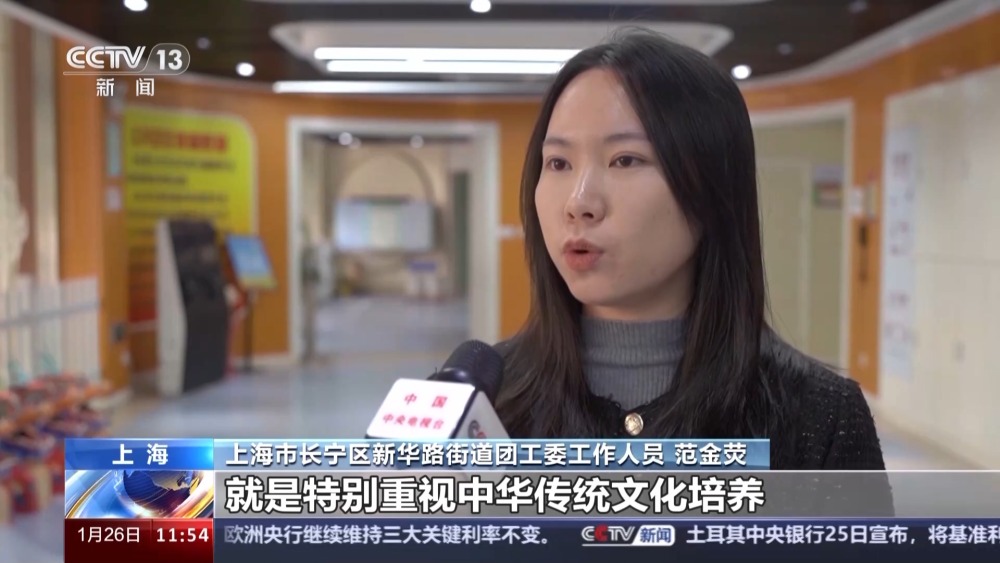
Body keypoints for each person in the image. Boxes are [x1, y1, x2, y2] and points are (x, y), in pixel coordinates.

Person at [493, 30, 887, 473]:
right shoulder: (480, 404)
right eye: (558, 163)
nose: (579, 202)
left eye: (625, 159)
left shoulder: (822, 419)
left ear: (711, 188)